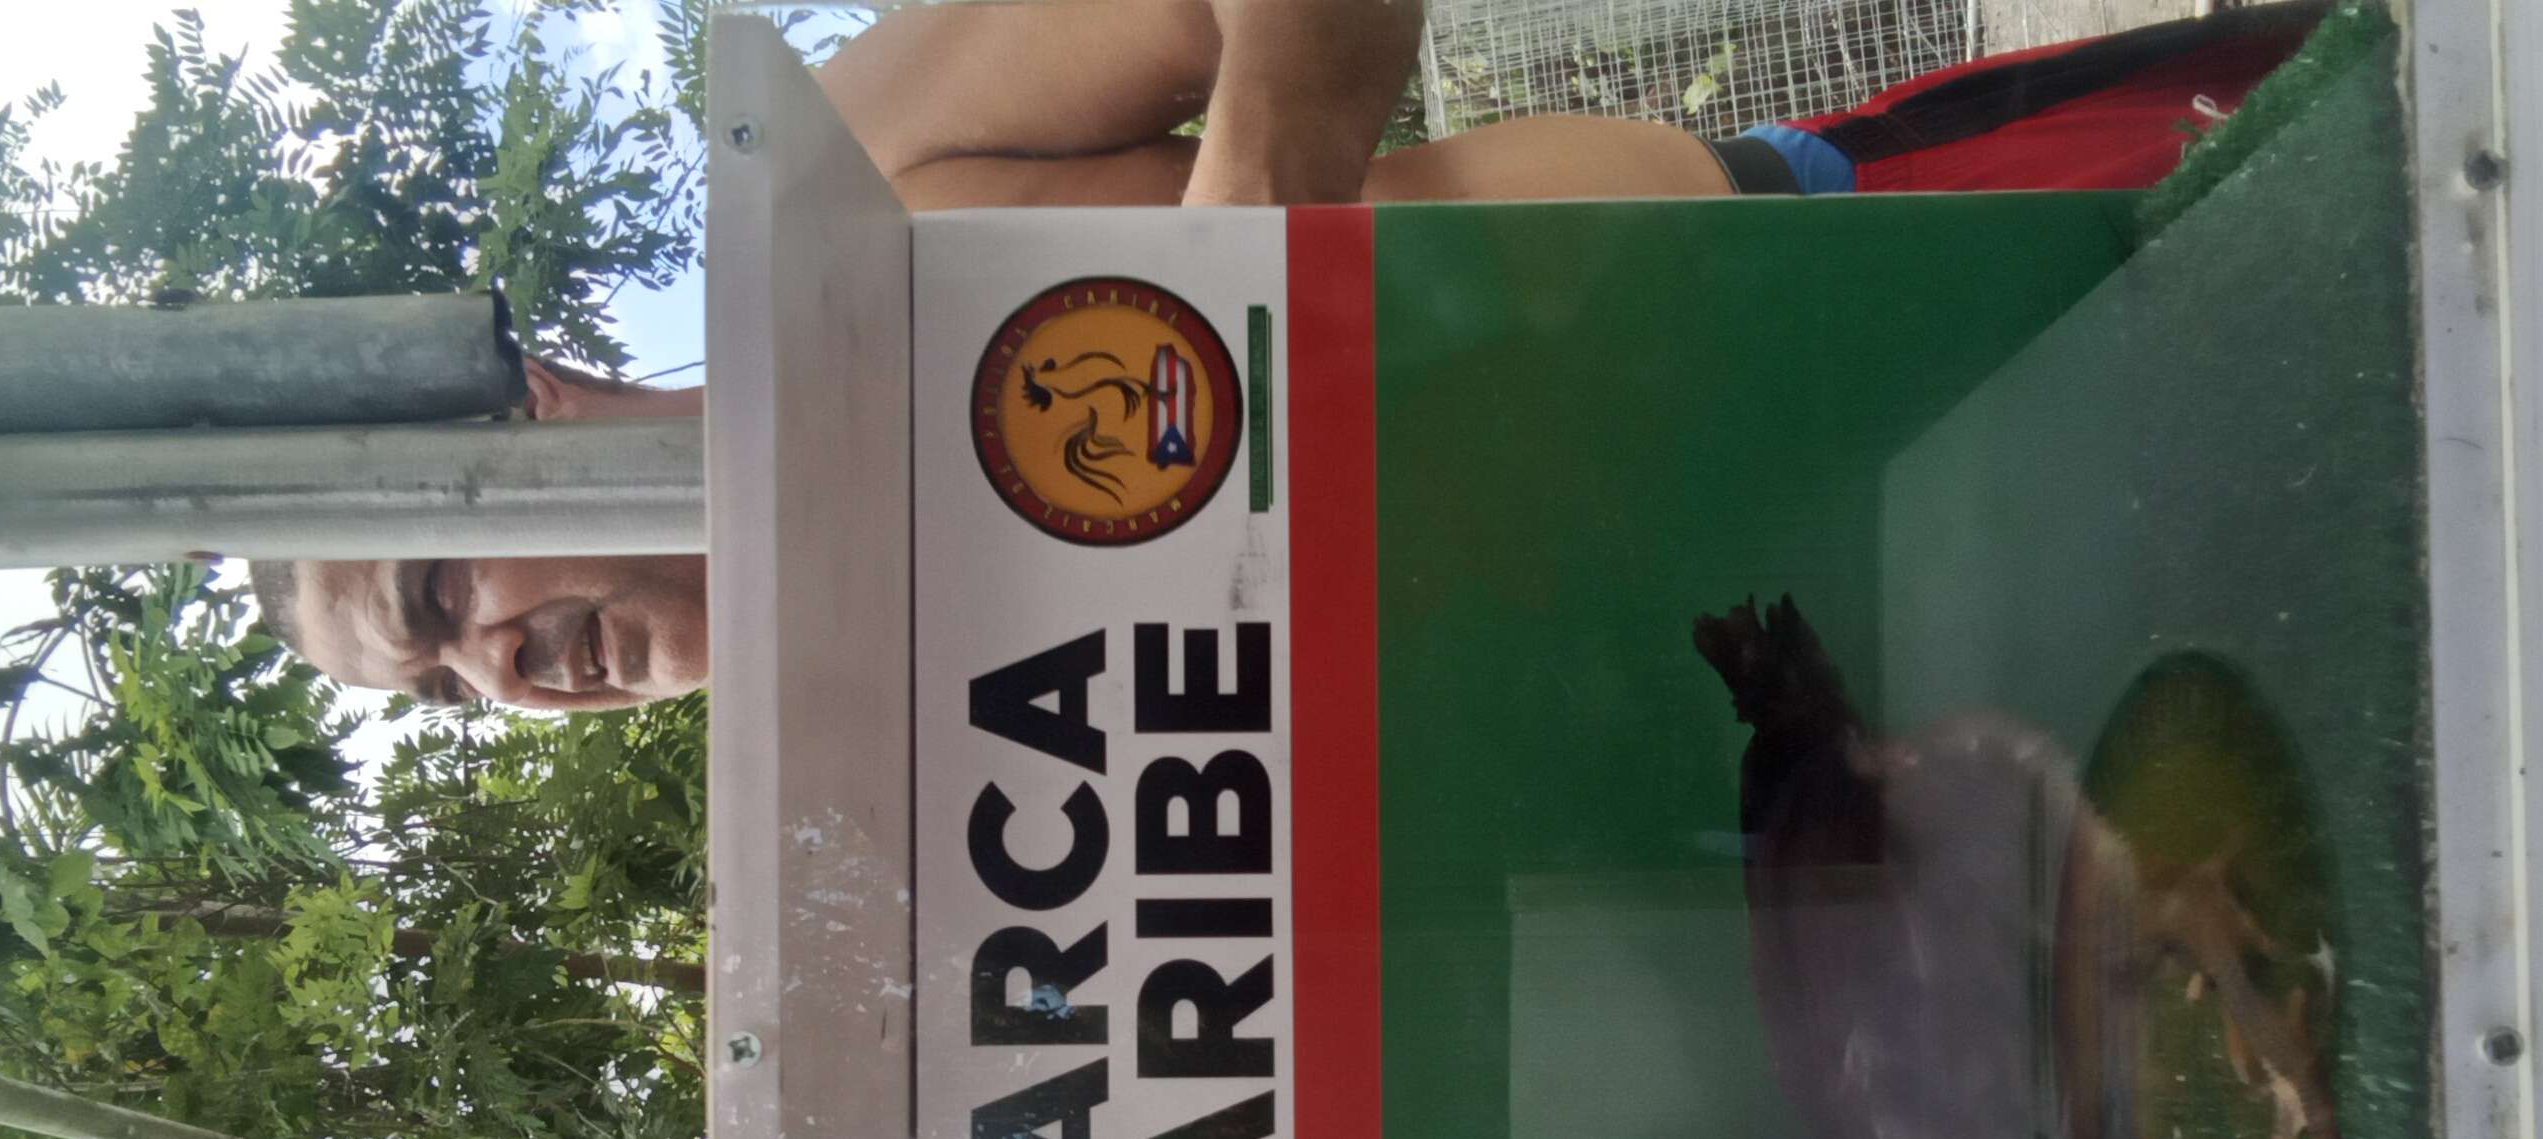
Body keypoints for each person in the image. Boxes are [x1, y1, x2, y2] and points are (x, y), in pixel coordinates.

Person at [255, 0, 2331, 711]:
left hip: (1898, 292)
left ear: (519, 413)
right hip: (1859, 688)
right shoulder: (919, 791)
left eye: (442, 596)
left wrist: (1234, 297)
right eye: (441, 693)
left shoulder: (842, 201)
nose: (496, 673)